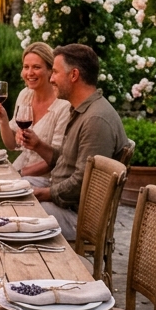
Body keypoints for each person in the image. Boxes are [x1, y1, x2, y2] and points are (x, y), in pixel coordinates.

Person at [18, 43, 128, 242]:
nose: (51, 79)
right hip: (62, 201)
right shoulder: (81, 110)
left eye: (55, 72)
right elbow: (65, 159)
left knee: (18, 210)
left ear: (74, 75)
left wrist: (43, 194)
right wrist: (38, 145)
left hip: (78, 217)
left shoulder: (96, 120)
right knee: (12, 189)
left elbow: (82, 181)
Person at [0, 41, 71, 187]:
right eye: (26, 67)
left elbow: (57, 159)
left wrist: (19, 174)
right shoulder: (25, 95)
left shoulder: (63, 106)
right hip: (20, 173)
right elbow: (12, 145)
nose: (29, 73)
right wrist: (3, 120)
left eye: (36, 67)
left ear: (50, 70)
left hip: (45, 181)